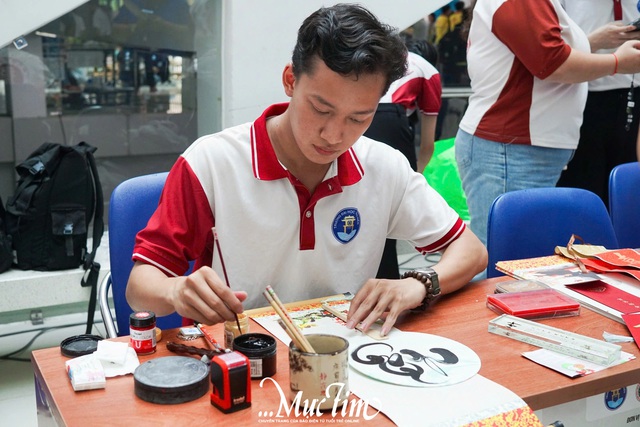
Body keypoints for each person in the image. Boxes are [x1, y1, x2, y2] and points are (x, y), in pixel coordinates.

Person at [126, 3, 487, 337]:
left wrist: (419, 284)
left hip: (344, 356)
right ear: (290, 80)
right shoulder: (212, 163)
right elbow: (139, 286)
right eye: (320, 109)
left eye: (358, 118)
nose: (334, 135)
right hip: (242, 357)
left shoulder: (383, 167)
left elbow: (471, 251)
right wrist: (175, 290)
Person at [455, 0, 640, 251]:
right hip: (511, 148)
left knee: (520, 253)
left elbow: (543, 52)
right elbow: (552, 63)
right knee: (505, 254)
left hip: (519, 148)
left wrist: (595, 43)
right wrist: (617, 63)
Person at [364, 39, 442, 280]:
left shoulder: (385, 59)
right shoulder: (428, 70)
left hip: (360, 114)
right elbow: (428, 143)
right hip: (390, 119)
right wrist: (415, 175)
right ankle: (387, 279)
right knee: (390, 209)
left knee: (363, 205)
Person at [556, 1, 640, 207]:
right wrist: (593, 41)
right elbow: (550, 56)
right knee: (583, 193)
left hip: (632, 97)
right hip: (580, 99)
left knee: (628, 193)